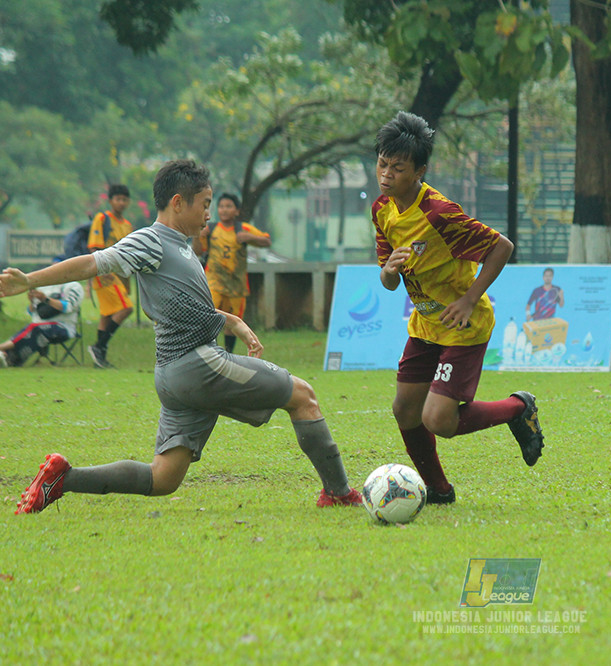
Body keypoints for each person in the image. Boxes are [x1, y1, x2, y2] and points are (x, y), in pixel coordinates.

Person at [2, 159, 362, 514]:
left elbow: (187, 308)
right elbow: (93, 262)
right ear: (177, 202)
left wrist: (232, 322)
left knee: (163, 479)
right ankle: (338, 493)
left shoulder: (182, 245)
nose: (209, 214)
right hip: (197, 364)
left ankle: (63, 479)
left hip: (174, 373)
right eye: (204, 204)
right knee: (303, 396)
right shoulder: (152, 240)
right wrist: (30, 281)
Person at [372, 111, 545, 506]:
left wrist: (469, 299)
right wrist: (388, 270)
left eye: (397, 168)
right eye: (382, 164)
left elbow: (501, 247)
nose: (386, 174)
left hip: (463, 326)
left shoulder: (439, 214)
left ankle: (517, 407)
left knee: (439, 420)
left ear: (419, 171)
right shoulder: (382, 209)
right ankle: (439, 489)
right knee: (405, 410)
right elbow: (388, 280)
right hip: (425, 325)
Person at [194, 193, 271, 353]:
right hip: (214, 281)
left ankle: (228, 353)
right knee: (209, 315)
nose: (224, 210)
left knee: (233, 321)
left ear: (237, 211)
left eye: (229, 206)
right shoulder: (211, 229)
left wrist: (248, 237)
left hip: (236, 284)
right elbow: (198, 251)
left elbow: (266, 241)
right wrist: (197, 236)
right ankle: (210, 351)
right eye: (221, 206)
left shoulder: (242, 229)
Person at [87, 184, 135, 369]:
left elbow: (128, 255)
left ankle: (100, 358)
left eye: (124, 199)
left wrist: (127, 282)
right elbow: (94, 246)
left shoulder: (127, 225)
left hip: (119, 274)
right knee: (126, 309)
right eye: (118, 199)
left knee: (106, 315)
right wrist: (102, 270)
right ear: (111, 200)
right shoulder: (102, 219)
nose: (121, 203)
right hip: (104, 272)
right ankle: (98, 346)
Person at [0, 279, 84, 368]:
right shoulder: (43, 286)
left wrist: (45, 299)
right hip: (38, 326)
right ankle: (7, 357)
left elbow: (69, 306)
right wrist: (32, 301)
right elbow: (32, 313)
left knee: (34, 328)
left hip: (63, 327)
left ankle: (4, 352)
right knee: (32, 329)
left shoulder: (73, 286)